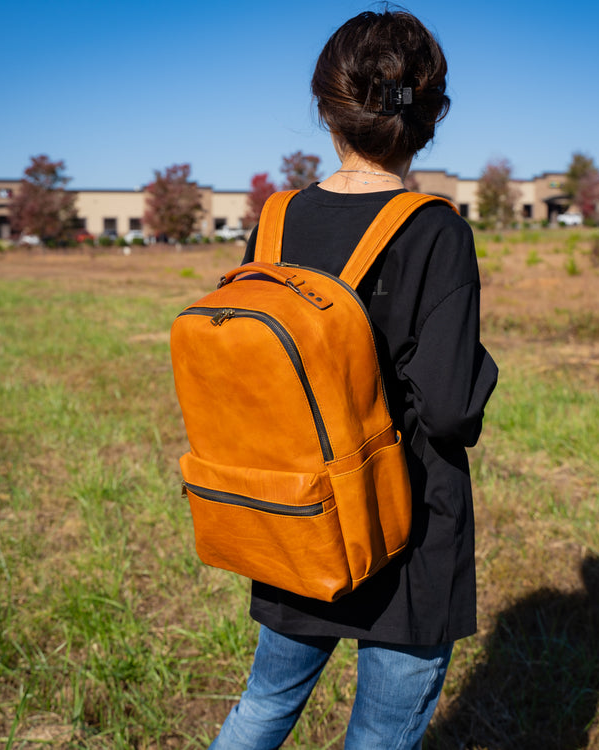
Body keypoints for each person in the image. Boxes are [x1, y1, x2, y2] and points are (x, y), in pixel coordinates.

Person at [210, 9, 498, 748]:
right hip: (407, 533)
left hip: (298, 518)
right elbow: (448, 410)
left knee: (263, 707)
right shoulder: (435, 229)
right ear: (429, 115)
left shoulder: (276, 222)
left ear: (327, 107)